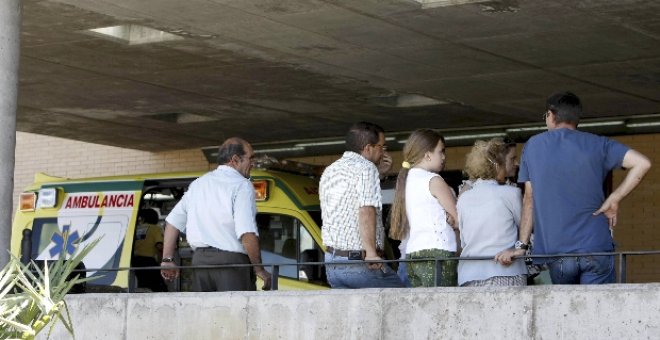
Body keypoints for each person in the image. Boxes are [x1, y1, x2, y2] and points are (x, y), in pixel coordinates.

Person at [498, 91, 651, 284]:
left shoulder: (533, 146)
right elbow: (642, 163)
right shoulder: (598, 143)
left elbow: (529, 199)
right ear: (576, 118)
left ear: (551, 115)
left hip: (557, 251)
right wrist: (614, 198)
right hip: (596, 247)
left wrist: (521, 246)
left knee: (568, 312)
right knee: (598, 310)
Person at [160, 137, 272, 291]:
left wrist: (167, 259)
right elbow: (246, 232)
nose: (253, 163)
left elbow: (172, 222)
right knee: (237, 313)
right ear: (235, 160)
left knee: (206, 313)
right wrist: (259, 269)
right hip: (231, 264)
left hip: (200, 263)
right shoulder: (242, 185)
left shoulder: (198, 184)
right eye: (250, 158)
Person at [320, 121, 404, 288]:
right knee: (404, 300)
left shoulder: (330, 170)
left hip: (333, 263)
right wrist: (372, 254)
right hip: (360, 263)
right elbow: (366, 209)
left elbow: (349, 200)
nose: (383, 152)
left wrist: (379, 175)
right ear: (368, 148)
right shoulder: (366, 169)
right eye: (382, 147)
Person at [389, 129, 458, 287]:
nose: (444, 157)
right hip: (437, 251)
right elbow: (460, 219)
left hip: (413, 253)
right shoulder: (434, 180)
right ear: (427, 155)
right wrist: (452, 221)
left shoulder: (407, 180)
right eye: (441, 151)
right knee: (443, 304)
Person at [457, 138, 527, 287]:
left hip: (468, 275)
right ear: (497, 165)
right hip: (506, 271)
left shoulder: (463, 198)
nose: (515, 164)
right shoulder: (511, 193)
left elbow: (463, 240)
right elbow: (525, 227)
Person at [132, 208, 168, 292]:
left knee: (140, 286)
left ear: (143, 218)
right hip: (149, 262)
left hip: (134, 262)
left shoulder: (136, 229)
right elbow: (159, 246)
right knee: (159, 288)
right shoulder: (156, 229)